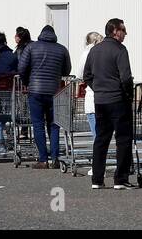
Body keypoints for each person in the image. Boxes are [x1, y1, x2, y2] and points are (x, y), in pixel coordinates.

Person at [83, 18, 134, 189]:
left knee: (101, 139)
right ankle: (120, 179)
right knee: (123, 140)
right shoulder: (120, 50)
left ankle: (97, 179)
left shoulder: (95, 50)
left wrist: (97, 88)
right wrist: (127, 93)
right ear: (114, 31)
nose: (125, 33)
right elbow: (126, 77)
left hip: (100, 100)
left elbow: (87, 75)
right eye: (123, 30)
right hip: (118, 100)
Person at [18, 24, 72, 167]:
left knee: (38, 125)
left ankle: (43, 159)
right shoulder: (62, 49)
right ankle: (55, 158)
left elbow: (22, 67)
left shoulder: (31, 47)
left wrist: (26, 82)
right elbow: (67, 70)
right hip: (54, 92)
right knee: (54, 125)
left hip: (35, 91)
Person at [80, 32, 103, 137]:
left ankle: (99, 151)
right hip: (106, 94)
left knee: (93, 119)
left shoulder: (87, 53)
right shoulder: (106, 51)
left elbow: (81, 73)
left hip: (92, 92)